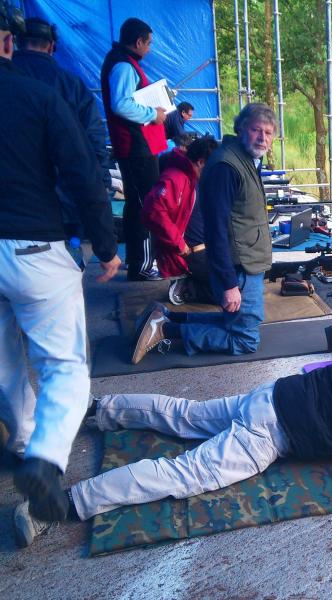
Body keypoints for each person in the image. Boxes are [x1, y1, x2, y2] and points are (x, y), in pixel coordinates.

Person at [13, 323, 332, 546]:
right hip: (271, 433)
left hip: (271, 397)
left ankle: (97, 410)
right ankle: (62, 504)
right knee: (182, 474)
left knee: (185, 414)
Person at [0, 7, 121, 534]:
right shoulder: (45, 94)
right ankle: (44, 460)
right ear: (7, 43)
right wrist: (106, 245)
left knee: (4, 365)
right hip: (34, 248)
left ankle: (23, 442)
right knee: (65, 367)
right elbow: (83, 172)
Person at [131, 103, 275, 364]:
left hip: (246, 260)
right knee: (245, 339)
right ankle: (165, 330)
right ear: (241, 129)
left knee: (233, 320)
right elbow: (216, 229)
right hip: (240, 265)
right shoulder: (227, 167)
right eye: (256, 130)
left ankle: (166, 318)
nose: (262, 138)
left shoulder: (244, 159)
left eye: (268, 132)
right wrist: (229, 283)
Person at [12, 16, 114, 229]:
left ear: (15, 42)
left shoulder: (8, 80)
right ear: (51, 46)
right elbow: (94, 137)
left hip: (11, 204)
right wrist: (102, 182)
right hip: (61, 199)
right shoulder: (70, 84)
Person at [100, 17, 167, 281]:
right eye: (148, 43)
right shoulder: (123, 65)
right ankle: (143, 265)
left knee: (136, 203)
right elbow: (121, 104)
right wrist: (153, 114)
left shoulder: (122, 61)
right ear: (138, 42)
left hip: (137, 146)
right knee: (145, 205)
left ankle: (136, 260)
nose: (149, 49)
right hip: (136, 147)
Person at [141, 136, 218, 286]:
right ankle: (186, 289)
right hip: (187, 253)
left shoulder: (193, 177)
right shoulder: (175, 178)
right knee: (227, 286)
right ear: (201, 162)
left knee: (244, 274)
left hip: (203, 247)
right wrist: (179, 244)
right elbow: (152, 211)